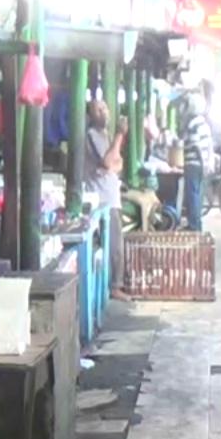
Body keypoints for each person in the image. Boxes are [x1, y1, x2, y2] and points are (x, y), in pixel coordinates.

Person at [85, 100, 129, 296]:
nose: (104, 112)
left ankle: (114, 284)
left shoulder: (105, 135)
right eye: (98, 110)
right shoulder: (92, 135)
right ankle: (115, 286)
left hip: (112, 195)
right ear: (90, 116)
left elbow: (118, 163)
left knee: (115, 242)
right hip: (102, 198)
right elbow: (108, 162)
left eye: (105, 108)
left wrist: (112, 160)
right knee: (114, 245)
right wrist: (120, 135)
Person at [179, 90, 218, 232]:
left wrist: (203, 163)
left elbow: (196, 146)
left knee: (192, 194)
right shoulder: (203, 123)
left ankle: (194, 225)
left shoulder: (193, 123)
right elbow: (208, 146)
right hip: (200, 164)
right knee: (197, 194)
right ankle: (196, 223)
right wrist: (207, 164)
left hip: (193, 164)